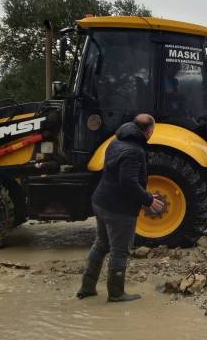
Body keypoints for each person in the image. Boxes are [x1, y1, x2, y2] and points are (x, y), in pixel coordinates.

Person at [77, 114, 164, 302]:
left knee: (101, 243)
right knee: (119, 250)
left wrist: (144, 197)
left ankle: (87, 287)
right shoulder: (135, 152)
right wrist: (148, 200)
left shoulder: (115, 143)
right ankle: (116, 293)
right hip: (119, 209)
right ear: (149, 131)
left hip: (101, 201)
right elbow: (128, 183)